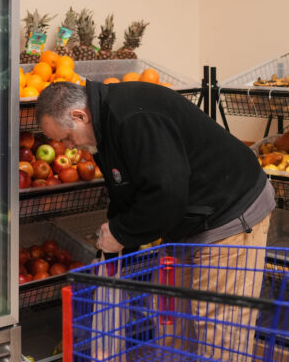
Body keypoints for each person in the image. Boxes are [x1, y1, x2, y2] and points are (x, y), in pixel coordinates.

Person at [36, 80, 275, 361]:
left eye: (66, 138)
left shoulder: (133, 119)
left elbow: (167, 194)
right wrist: (113, 251)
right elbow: (127, 191)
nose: (69, 148)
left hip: (230, 212)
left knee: (218, 330)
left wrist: (122, 233)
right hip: (187, 219)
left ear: (79, 116)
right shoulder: (103, 132)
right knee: (173, 323)